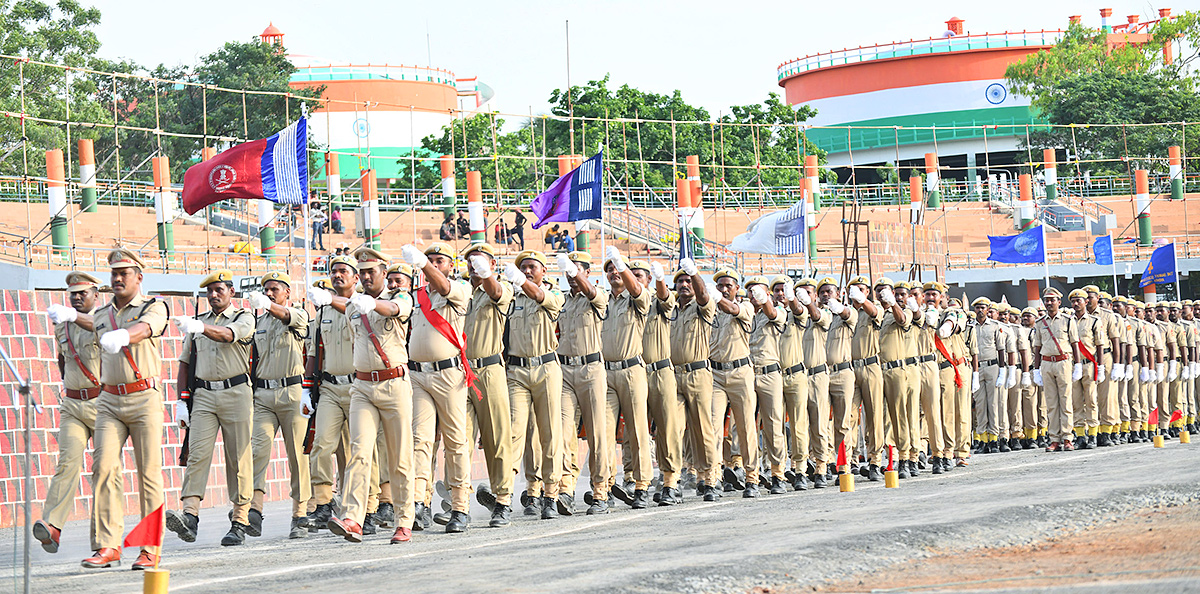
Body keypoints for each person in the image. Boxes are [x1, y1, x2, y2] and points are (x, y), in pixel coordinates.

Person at [316, 247, 416, 544]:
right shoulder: (352, 307)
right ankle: (353, 518)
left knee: (399, 458)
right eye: (362, 272)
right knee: (359, 452)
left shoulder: (399, 296)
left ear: (384, 274)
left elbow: (393, 310)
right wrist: (353, 303)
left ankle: (404, 520)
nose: (366, 276)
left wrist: (370, 302)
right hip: (362, 387)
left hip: (394, 383)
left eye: (371, 271)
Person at [78, 249, 169, 569]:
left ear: (139, 277)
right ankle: (108, 545)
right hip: (109, 401)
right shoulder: (102, 315)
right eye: (114, 274)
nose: (117, 279)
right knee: (102, 469)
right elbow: (90, 324)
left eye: (124, 273)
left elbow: (148, 327)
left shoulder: (153, 306)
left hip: (144, 399)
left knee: (148, 475)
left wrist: (124, 335)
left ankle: (149, 548)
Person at [165, 270, 256, 547]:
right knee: (197, 454)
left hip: (236, 392)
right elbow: (185, 361)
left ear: (231, 291)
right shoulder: (199, 322)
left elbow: (230, 336)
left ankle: (240, 520)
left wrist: (200, 328)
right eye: (210, 291)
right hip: (204, 394)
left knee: (238, 458)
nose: (214, 295)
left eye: (219, 290)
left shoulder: (243, 317)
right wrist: (181, 400)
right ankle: (190, 516)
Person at [403, 242, 474, 533]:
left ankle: (460, 506)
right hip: (418, 375)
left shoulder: (458, 289)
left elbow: (443, 287)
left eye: (439, 260)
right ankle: (419, 502)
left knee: (455, 442)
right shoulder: (417, 296)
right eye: (430, 259)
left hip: (448, 374)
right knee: (420, 440)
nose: (434, 263)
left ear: (450, 265)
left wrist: (422, 264)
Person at [38, 272, 103, 555]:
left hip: (104, 404)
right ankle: (52, 527)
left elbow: (98, 329)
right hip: (73, 404)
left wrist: (72, 316)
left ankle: (103, 540)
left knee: (103, 471)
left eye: (83, 293)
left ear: (96, 295)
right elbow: (62, 358)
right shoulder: (61, 325)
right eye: (72, 294)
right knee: (66, 464)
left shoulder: (105, 318)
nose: (77, 298)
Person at [245, 271, 312, 540]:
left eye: (275, 289)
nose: (270, 293)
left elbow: (287, 317)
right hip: (263, 394)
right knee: (257, 451)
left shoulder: (297, 315)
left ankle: (300, 513)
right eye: (266, 289)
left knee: (298, 455)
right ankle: (254, 510)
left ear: (287, 293)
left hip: (292, 392)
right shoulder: (258, 322)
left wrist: (267, 304)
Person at [504, 250, 566, 519]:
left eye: (532, 267)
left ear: (544, 272)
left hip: (546, 369)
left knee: (549, 432)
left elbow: (540, 297)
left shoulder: (554, 294)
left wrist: (520, 281)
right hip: (517, 370)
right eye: (523, 268)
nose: (528, 271)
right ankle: (504, 496)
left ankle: (550, 494)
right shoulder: (512, 298)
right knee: (515, 433)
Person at [462, 243, 516, 526]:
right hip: (460, 372)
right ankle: (459, 504)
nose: (474, 266)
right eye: (471, 261)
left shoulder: (500, 289)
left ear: (492, 265)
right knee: (460, 440)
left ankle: (503, 499)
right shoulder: (459, 292)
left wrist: (486, 275)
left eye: (481, 261)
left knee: (497, 438)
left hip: (490, 369)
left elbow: (496, 293)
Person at [555, 251, 611, 514]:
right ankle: (566, 489)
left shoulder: (598, 296)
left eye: (577, 270)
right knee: (564, 434)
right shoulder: (563, 301)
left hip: (591, 370)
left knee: (597, 434)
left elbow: (593, 295)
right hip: (565, 370)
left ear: (588, 273)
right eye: (568, 271)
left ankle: (601, 492)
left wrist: (575, 272)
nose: (572, 275)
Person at [601, 247, 653, 509]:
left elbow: (636, 290)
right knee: (605, 432)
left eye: (617, 269)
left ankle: (642, 485)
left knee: (637, 430)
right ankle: (607, 486)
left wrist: (622, 265)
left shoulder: (637, 300)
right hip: (605, 372)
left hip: (632, 370)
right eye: (609, 270)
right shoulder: (602, 301)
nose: (613, 273)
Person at [670, 257, 720, 501]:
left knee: (702, 429)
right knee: (674, 430)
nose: (683, 285)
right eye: (679, 281)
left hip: (698, 373)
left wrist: (695, 273)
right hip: (673, 374)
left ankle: (710, 478)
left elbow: (703, 296)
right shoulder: (670, 310)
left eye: (687, 281)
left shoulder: (702, 307)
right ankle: (673, 481)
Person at [745, 276, 786, 493]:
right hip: (745, 374)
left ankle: (777, 473)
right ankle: (752, 476)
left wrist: (764, 300)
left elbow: (772, 314)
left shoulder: (777, 311)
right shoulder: (742, 313)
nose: (754, 295)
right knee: (746, 427)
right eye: (751, 291)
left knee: (773, 426)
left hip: (769, 373)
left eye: (759, 291)